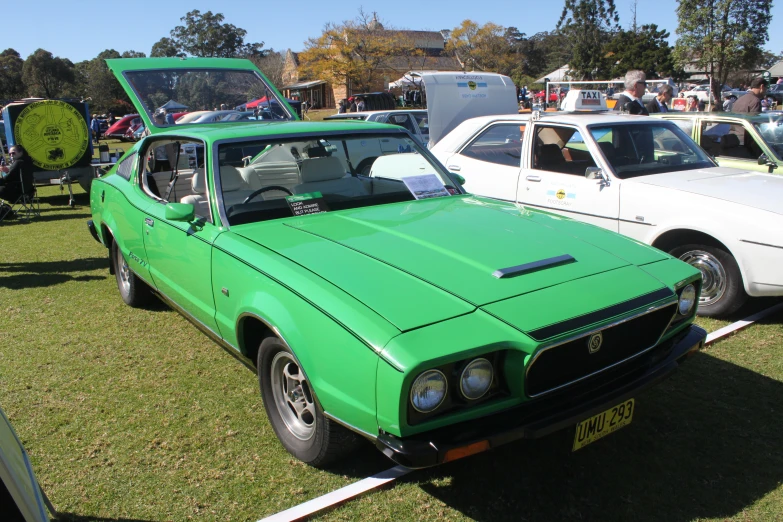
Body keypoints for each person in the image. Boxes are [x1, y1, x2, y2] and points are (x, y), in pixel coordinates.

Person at [0, 145, 35, 215]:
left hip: (16, 192)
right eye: (9, 154)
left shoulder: (18, 162)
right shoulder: (28, 162)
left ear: (21, 152)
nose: (11, 155)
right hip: (29, 192)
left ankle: (2, 211)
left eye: (13, 153)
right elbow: (15, 176)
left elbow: (7, 178)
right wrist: (8, 171)